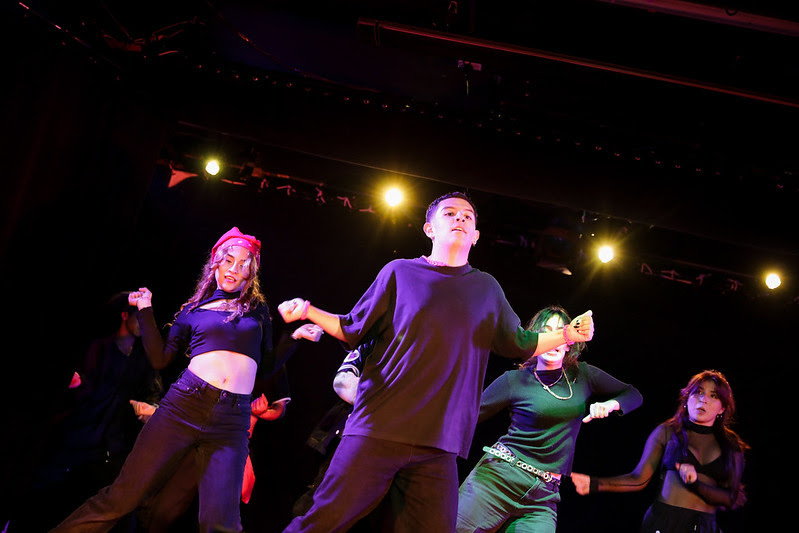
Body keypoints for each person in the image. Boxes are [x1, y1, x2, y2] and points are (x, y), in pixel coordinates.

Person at [277, 191, 596, 533]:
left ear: (475, 236)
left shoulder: (486, 288)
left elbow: (520, 343)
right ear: (429, 228)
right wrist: (308, 310)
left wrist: (568, 335)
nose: (460, 218)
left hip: (438, 446)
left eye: (468, 217)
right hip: (378, 430)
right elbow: (352, 327)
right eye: (450, 213)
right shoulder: (399, 272)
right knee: (321, 523)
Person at [52, 227, 279, 533]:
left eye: (243, 265)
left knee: (221, 523)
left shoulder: (257, 311)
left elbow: (265, 366)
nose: (233, 269)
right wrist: (145, 310)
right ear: (215, 265)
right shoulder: (192, 311)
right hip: (186, 404)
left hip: (231, 419)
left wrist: (295, 338)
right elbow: (160, 359)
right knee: (122, 498)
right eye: (228, 261)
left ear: (250, 275)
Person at [456, 305, 643, 533]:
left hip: (544, 494)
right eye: (547, 332)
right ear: (537, 339)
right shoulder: (514, 380)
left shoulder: (583, 376)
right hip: (498, 480)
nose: (554, 339)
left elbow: (633, 394)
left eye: (561, 331)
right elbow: (467, 417)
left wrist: (610, 404)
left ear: (569, 342)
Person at [131, 323, 323, 533]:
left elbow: (279, 408)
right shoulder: (220, 351)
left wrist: (259, 411)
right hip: (198, 435)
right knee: (168, 504)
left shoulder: (271, 362)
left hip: (235, 442)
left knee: (220, 509)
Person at [11, 292, 161, 533]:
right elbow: (83, 390)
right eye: (138, 318)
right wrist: (77, 385)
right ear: (125, 316)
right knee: (43, 493)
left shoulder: (141, 360)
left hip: (107, 445)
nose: (143, 325)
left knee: (112, 506)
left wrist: (147, 408)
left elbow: (151, 394)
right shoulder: (99, 349)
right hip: (76, 436)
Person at [571, 369, 748, 533]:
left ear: (722, 408)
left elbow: (730, 497)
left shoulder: (730, 445)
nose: (703, 400)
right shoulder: (668, 432)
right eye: (698, 392)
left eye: (713, 395)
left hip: (704, 527)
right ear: (686, 399)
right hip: (664, 522)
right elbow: (639, 479)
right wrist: (594, 483)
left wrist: (694, 483)